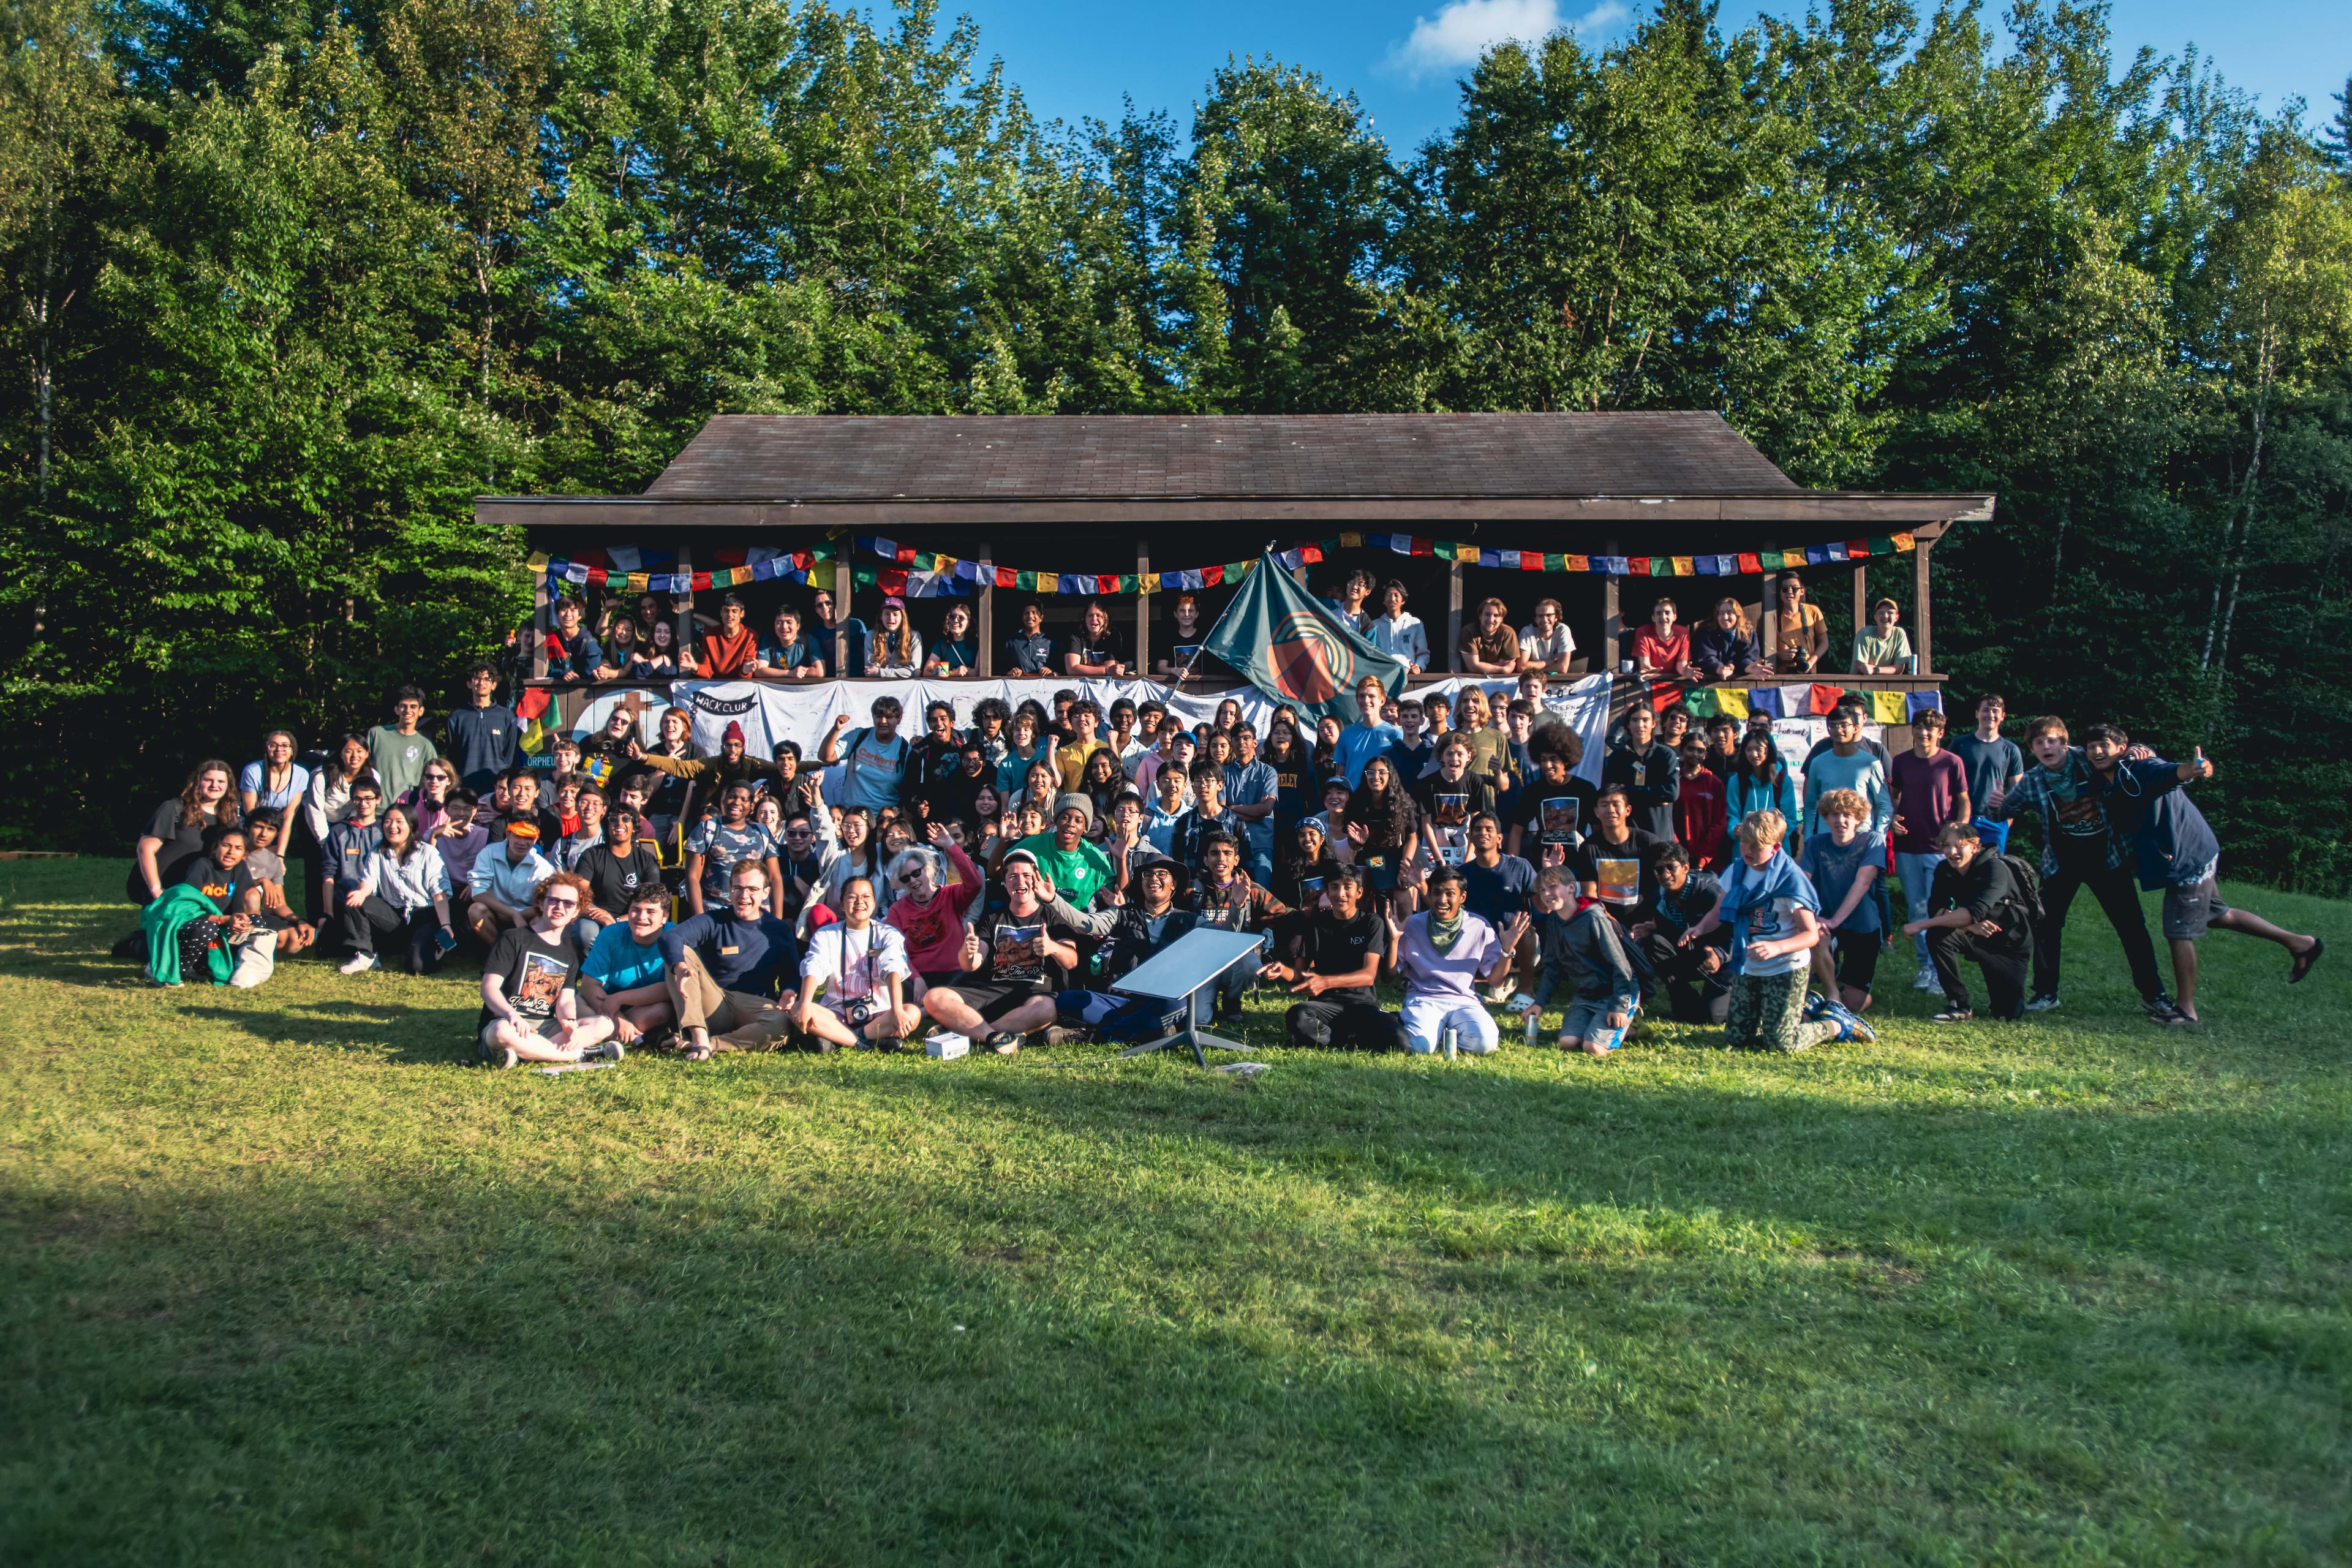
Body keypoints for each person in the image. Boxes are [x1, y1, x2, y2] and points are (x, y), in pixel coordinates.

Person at [2079, 725, 2321, 1025]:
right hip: (2191, 849)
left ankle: (2186, 1010)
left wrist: (2194, 769)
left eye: (2104, 745)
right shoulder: (2104, 775)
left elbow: (2170, 773)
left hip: (2187, 855)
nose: (2097, 752)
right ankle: (2301, 944)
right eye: (2091, 747)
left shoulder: (2140, 768)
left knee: (2178, 930)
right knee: (2218, 915)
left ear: (2121, 747)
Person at [1978, 716, 2171, 1017]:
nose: (2046, 747)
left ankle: (2154, 994)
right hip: (2061, 863)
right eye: (2039, 743)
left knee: (2132, 927)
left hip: (2107, 859)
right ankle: (2046, 993)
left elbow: (2123, 752)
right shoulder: (2033, 780)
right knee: (2045, 926)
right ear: (2032, 749)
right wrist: (1995, 804)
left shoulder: (2088, 758)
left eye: (2052, 740)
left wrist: (2139, 750)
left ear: (2064, 742)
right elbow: (2003, 812)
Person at [1678, 809, 1859, 1052]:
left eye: (1757, 846)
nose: (1748, 851)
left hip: (1786, 966)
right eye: (1745, 843)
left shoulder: (1790, 880)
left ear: (1775, 847)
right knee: (1736, 1039)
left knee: (1782, 1043)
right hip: (1749, 966)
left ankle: (1835, 1024)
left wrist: (1777, 947)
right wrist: (1699, 928)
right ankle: (1807, 1007)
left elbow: (1811, 935)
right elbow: (1719, 911)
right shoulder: (1738, 870)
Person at [924, 851, 1082, 1052]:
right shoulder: (992, 919)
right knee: (934, 997)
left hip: (1033, 995)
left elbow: (1072, 961)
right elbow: (971, 964)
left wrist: (1053, 948)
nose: (1020, 881)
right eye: (1013, 877)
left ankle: (967, 1032)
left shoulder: (1054, 918)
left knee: (1048, 1008)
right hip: (990, 992)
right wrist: (968, 951)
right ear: (1005, 884)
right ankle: (993, 1037)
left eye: (1026, 876)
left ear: (1036, 880)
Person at [476, 872, 621, 1069]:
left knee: (604, 1025)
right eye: (554, 901)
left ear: (576, 912)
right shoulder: (513, 938)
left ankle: (526, 1053)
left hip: (545, 1027)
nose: (560, 907)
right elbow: (489, 988)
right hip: (506, 1022)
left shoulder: (569, 955)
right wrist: (512, 1015)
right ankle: (577, 1055)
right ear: (541, 904)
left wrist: (569, 1022)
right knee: (501, 1033)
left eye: (568, 904)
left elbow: (566, 1000)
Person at [662, 861, 799, 1058]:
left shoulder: (779, 930)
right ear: (729, 890)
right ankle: (698, 1034)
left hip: (756, 1004)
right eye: (738, 888)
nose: (744, 896)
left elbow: (793, 975)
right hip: (715, 1000)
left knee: (781, 1023)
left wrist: (789, 990)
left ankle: (708, 1044)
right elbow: (671, 937)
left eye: (752, 889)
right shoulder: (714, 920)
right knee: (678, 952)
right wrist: (681, 966)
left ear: (766, 892)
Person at [1260, 867, 1404, 1050]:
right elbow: (1299, 975)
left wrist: (1326, 982)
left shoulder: (1371, 922)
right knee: (1297, 1015)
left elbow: (1368, 975)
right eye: (1334, 888)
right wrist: (1282, 970)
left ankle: (1330, 1039)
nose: (1340, 894)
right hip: (1325, 1006)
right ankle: (1353, 1039)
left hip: (1362, 1004)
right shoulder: (1315, 925)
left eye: (1347, 888)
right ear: (1327, 892)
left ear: (1359, 892)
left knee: (1400, 1041)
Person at [1901, 823, 2030, 1023]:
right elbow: (1937, 910)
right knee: (1938, 934)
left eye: (1959, 846)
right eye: (1946, 845)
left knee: (2006, 1014)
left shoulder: (1995, 868)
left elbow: (1974, 912)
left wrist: (1920, 925)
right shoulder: (1944, 869)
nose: (1952, 852)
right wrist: (1968, 926)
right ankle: (1958, 1004)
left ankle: (2002, 996)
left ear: (1975, 847)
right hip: (1974, 935)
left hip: (2008, 942)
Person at [1392, 867, 1527, 1056]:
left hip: (1464, 1000)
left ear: (1462, 897)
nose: (1442, 900)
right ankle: (1429, 1030)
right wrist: (1395, 939)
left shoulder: (1479, 926)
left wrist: (1507, 950)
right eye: (1437, 893)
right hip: (1424, 998)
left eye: (1450, 894)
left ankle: (1445, 1032)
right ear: (1429, 894)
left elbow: (1496, 981)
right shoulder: (1413, 924)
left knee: (1485, 1044)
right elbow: (1389, 974)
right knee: (1419, 1047)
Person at [1885, 706, 1968, 981]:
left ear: (1940, 733)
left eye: (1929, 729)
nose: (1923, 733)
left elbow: (1963, 801)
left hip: (1940, 848)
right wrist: (1893, 818)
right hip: (1908, 846)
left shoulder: (1952, 762)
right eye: (1919, 728)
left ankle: (1940, 967)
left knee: (1939, 909)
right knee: (1916, 907)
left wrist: (1958, 833)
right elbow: (1892, 796)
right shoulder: (1901, 761)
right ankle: (1925, 966)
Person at [1523, 867, 1641, 1055]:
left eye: (1553, 887)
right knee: (1568, 1042)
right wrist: (1539, 1003)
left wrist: (1619, 1005)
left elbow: (1621, 965)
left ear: (1571, 888)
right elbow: (1552, 967)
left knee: (1593, 1048)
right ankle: (1613, 1026)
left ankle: (1630, 1022)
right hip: (1587, 995)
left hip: (1615, 994)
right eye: (1542, 890)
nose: (1547, 894)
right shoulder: (1553, 920)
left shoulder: (1594, 918)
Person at [795, 876, 922, 1050]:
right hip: (836, 1013)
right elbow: (814, 966)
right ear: (842, 904)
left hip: (879, 1014)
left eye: (866, 897)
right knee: (797, 1009)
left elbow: (893, 969)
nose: (859, 902)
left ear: (874, 902)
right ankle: (863, 1042)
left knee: (911, 1013)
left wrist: (897, 1010)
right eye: (852, 897)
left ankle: (841, 1038)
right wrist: (805, 1004)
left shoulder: (888, 934)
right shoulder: (826, 934)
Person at [338, 805, 456, 975]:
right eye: (387, 822)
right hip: (396, 914)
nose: (392, 827)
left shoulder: (428, 853)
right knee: (355, 900)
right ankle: (366, 955)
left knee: (417, 967)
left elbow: (439, 894)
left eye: (399, 822)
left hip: (425, 914)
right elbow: (368, 881)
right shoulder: (377, 849)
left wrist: (446, 925)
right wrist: (361, 892)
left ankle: (427, 948)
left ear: (411, 826)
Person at [1796, 788, 1885, 1015]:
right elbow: (1801, 883)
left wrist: (1836, 920)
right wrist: (1813, 918)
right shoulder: (1816, 843)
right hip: (1825, 921)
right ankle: (1832, 993)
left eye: (1847, 814)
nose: (1841, 820)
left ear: (1858, 818)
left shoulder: (1871, 840)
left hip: (1862, 925)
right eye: (1834, 815)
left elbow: (1863, 883)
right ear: (1825, 818)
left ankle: (1836, 999)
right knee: (1816, 936)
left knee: (1856, 1004)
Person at [1631, 845, 1730, 1024]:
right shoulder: (1659, 896)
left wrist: (1720, 955)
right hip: (1696, 955)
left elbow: (1737, 932)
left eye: (1671, 867)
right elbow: (1679, 933)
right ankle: (1687, 1004)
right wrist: (1656, 928)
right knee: (1654, 942)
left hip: (1723, 959)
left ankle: (1735, 994)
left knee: (1715, 1018)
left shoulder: (1711, 892)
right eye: (1659, 869)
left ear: (1685, 868)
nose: (1665, 874)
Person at [130, 760, 240, 913]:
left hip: (207, 894)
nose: (215, 785)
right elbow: (145, 849)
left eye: (221, 781)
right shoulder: (174, 809)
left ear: (229, 786)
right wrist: (156, 890)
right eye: (208, 780)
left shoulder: (231, 818)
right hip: (169, 890)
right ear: (198, 782)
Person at [578, 886, 677, 1049]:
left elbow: (671, 988)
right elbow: (590, 985)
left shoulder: (674, 937)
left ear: (665, 917)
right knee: (577, 1001)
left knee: (663, 1011)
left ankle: (604, 1031)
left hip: (646, 1007)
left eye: (650, 912)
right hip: (606, 1004)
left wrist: (620, 998)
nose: (641, 917)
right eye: (635, 910)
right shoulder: (611, 934)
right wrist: (618, 1018)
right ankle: (630, 1034)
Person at [1457, 813, 1537, 1000]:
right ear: (1470, 838)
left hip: (1515, 940)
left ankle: (1526, 990)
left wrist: (1551, 873)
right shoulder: (1462, 874)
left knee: (1527, 932)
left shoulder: (1520, 867)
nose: (1483, 833)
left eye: (1488, 829)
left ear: (1499, 838)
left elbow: (1543, 906)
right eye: (1477, 829)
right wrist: (1421, 885)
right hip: (1478, 942)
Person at [684, 781, 783, 918]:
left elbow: (775, 878)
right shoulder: (706, 829)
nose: (737, 802)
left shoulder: (763, 833)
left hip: (755, 914)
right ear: (724, 800)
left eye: (744, 799)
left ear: (752, 806)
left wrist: (777, 921)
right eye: (732, 797)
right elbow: (692, 877)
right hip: (715, 912)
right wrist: (700, 919)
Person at [1947, 694, 2024, 852]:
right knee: (1962, 869)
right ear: (1977, 713)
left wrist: (2006, 819)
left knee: (1994, 870)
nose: (1990, 715)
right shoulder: (1960, 744)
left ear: (2003, 716)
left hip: (1995, 822)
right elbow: (1945, 782)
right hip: (1963, 818)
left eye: (1995, 711)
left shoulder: (2010, 750)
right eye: (1986, 710)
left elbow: (2018, 791)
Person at [236, 809, 316, 959]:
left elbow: (279, 904)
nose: (264, 834)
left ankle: (254, 949)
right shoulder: (236, 851)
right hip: (235, 912)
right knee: (252, 894)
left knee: (294, 939)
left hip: (261, 916)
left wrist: (299, 921)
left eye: (270, 830)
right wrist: (261, 881)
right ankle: (245, 952)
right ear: (248, 827)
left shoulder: (273, 861)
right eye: (259, 827)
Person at [466, 819, 557, 949]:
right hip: (497, 912)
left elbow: (544, 904)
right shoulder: (489, 853)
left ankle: (526, 955)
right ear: (508, 835)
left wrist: (520, 916)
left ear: (536, 840)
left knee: (542, 918)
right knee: (476, 911)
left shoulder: (543, 867)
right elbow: (478, 893)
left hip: (527, 916)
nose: (522, 843)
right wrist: (513, 914)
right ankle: (499, 952)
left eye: (528, 838)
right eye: (518, 836)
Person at [1804, 704, 1893, 835]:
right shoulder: (1818, 763)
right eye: (1833, 726)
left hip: (1862, 837)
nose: (1838, 730)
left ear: (1856, 728)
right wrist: (1808, 838)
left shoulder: (1870, 763)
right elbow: (1811, 804)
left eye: (1844, 725)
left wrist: (1879, 837)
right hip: (1827, 838)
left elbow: (1884, 805)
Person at [1019, 793, 1116, 908]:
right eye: (1065, 818)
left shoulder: (1096, 858)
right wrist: (1004, 840)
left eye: (1078, 821)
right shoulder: (1033, 844)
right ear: (1056, 821)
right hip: (1036, 919)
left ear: (1086, 828)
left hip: (1076, 923)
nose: (1071, 824)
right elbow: (996, 870)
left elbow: (1117, 895)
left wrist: (1120, 859)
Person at [575, 807, 665, 927]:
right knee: (585, 930)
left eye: (626, 819)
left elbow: (651, 903)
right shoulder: (591, 855)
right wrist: (604, 918)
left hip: (635, 920)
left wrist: (617, 921)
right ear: (607, 826)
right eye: (613, 819)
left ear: (634, 827)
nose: (619, 823)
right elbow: (578, 896)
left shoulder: (647, 860)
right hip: (597, 918)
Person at [1601, 704, 1679, 842]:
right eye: (1635, 720)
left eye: (1645, 720)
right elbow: (1610, 793)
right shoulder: (1618, 757)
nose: (1640, 725)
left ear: (1654, 723)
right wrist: (1656, 796)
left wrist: (1627, 790)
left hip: (1659, 834)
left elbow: (1671, 793)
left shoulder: (1666, 755)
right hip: (1626, 834)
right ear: (1628, 725)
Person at [1416, 734, 1496, 867]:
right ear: (1442, 756)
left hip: (1464, 840)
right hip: (1434, 840)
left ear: (1469, 757)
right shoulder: (1429, 783)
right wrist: (1438, 859)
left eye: (1460, 754)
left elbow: (1475, 822)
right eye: (1450, 754)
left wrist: (1469, 855)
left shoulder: (1474, 781)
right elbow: (1426, 824)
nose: (1455, 759)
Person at [821, 696, 911, 815]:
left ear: (899, 719)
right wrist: (836, 730)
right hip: (851, 818)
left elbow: (909, 794)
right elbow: (826, 757)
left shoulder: (905, 751)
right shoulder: (858, 736)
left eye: (889, 717)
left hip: (883, 824)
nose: (883, 721)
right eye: (879, 716)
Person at [1721, 730, 1800, 865]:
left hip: (1775, 852)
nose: (1754, 754)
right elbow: (1731, 815)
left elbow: (1790, 819)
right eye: (1749, 750)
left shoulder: (1783, 781)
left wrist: (1767, 838)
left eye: (1759, 749)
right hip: (1745, 852)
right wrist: (1735, 828)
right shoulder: (1736, 781)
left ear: (1769, 750)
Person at [1509, 741, 1594, 862]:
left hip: (1579, 863)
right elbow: (1517, 830)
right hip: (1543, 862)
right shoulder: (1533, 791)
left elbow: (1598, 831)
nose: (1547, 765)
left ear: (1566, 761)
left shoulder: (1585, 789)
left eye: (1554, 759)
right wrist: (1514, 864)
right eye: (1543, 760)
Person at [445, 663, 521, 795]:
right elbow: (452, 755)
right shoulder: (457, 717)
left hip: (497, 787)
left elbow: (510, 756)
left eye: (487, 679)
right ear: (469, 684)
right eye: (477, 679)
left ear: (494, 685)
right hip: (464, 787)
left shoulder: (507, 717)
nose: (481, 683)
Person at [364, 686, 440, 805]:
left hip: (406, 812)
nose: (408, 711)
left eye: (413, 707)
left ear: (421, 711)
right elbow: (362, 768)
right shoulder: (377, 735)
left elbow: (432, 781)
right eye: (403, 706)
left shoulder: (426, 746)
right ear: (397, 710)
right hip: (375, 808)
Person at [1674, 734, 1727, 866]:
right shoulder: (1672, 780)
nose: (1695, 754)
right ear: (1682, 749)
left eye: (1700, 751)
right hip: (1676, 854)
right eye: (1691, 749)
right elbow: (1666, 817)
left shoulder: (1714, 783)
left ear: (1706, 754)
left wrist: (1703, 856)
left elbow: (1720, 822)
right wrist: (1676, 849)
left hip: (1708, 858)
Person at [238, 730, 310, 820]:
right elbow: (250, 812)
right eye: (273, 745)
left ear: (292, 750)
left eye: (285, 746)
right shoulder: (252, 771)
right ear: (267, 749)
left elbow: (289, 815)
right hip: (251, 823)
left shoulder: (301, 774)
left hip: (279, 824)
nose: (279, 749)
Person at [1690, 598, 1765, 682]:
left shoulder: (1748, 633)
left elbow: (1749, 657)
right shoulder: (1706, 632)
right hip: (1707, 683)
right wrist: (1719, 668)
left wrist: (1747, 667)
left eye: (1729, 613)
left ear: (1737, 615)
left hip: (1741, 684)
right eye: (1721, 613)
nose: (1725, 617)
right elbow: (1705, 658)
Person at [1770, 571, 1828, 674]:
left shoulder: (1813, 611)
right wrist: (1777, 655)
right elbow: (1759, 646)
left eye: (1794, 589)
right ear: (1780, 592)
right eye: (1785, 589)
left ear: (1802, 591)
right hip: (1780, 675)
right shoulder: (1770, 616)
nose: (1790, 592)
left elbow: (1824, 643)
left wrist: (1810, 662)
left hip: (1808, 673)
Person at [1366, 579, 1430, 673]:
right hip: (1383, 676)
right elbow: (1370, 653)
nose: (1392, 599)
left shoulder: (1415, 624)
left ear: (1403, 600)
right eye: (1388, 595)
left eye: (1396, 595)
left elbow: (1423, 653)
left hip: (1408, 676)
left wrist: (1419, 666)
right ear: (1383, 601)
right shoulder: (1375, 625)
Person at [543, 596, 608, 682]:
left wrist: (576, 677)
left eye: (573, 611)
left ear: (580, 616)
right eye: (564, 610)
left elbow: (592, 674)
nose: (568, 614)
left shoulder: (589, 643)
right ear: (558, 614)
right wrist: (563, 674)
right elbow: (547, 670)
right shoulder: (553, 639)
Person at [1062, 598, 1129, 677]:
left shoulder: (1113, 635)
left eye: (1099, 616)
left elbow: (1112, 668)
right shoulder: (1076, 636)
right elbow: (1072, 669)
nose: (1094, 619)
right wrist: (1105, 670)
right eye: (1090, 616)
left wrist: (1081, 669)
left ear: (1105, 619)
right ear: (1085, 619)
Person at [810, 586, 867, 677]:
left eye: (828, 603)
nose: (824, 607)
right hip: (830, 682)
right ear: (816, 610)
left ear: (835, 605)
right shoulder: (816, 632)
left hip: (858, 680)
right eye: (819, 605)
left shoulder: (855, 625)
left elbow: (867, 656)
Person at [1455, 597, 1520, 675]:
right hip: (1473, 681)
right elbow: (1472, 667)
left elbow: (1508, 664)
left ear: (1501, 619)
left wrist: (1480, 665)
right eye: (1487, 614)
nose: (1491, 620)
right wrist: (1502, 669)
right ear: (1480, 616)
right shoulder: (1469, 631)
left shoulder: (1508, 633)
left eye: (1496, 615)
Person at [1630, 598, 1694, 679]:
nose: (1663, 617)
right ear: (1653, 618)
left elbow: (1681, 666)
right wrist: (1648, 669)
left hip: (1674, 683)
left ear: (1675, 617)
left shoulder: (1683, 633)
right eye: (1658, 613)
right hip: (1650, 681)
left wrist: (1685, 671)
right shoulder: (1643, 632)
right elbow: (1645, 665)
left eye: (1667, 613)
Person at [755, 606, 824, 678]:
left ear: (798, 626)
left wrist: (799, 672)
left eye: (789, 622)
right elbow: (759, 671)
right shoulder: (767, 640)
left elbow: (820, 672)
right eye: (779, 622)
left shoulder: (808, 640)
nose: (784, 626)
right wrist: (789, 673)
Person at [862, 595, 922, 677]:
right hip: (878, 686)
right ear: (881, 616)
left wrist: (881, 672)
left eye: (895, 614)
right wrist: (901, 671)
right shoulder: (871, 635)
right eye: (887, 614)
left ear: (902, 617)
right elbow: (870, 670)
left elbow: (914, 671)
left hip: (905, 687)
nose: (891, 618)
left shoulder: (914, 637)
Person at [1851, 598, 1913, 674]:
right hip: (1860, 685)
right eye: (1881, 613)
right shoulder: (1864, 634)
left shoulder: (1900, 634)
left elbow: (1899, 668)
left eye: (1890, 613)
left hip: (1888, 685)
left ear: (1897, 618)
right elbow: (1861, 668)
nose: (1885, 616)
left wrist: (1875, 670)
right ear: (1875, 617)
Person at [1518, 598, 1576, 675]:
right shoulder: (1527, 632)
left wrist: (1534, 669)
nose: (1545, 620)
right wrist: (1552, 662)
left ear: (1556, 618)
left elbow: (1563, 667)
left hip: (1558, 681)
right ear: (1536, 619)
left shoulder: (1563, 630)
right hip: (1533, 680)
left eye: (1549, 615)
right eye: (1540, 616)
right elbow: (1522, 667)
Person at [1003, 600, 1056, 677]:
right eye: (1026, 613)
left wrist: (1051, 672)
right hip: (1017, 686)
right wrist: (1009, 673)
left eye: (1034, 613)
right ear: (1022, 617)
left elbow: (1059, 669)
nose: (1030, 616)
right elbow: (1001, 668)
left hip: (1043, 687)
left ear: (1041, 618)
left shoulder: (1050, 642)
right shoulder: (1012, 642)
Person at [927, 602, 977, 676]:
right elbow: (927, 671)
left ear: (969, 622)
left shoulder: (977, 644)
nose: (956, 621)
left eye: (961, 618)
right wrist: (952, 673)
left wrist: (941, 669)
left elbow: (978, 673)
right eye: (952, 617)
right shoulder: (942, 644)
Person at [1322, 568, 1378, 633]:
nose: (1354, 587)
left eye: (1360, 584)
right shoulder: (1329, 605)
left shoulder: (1367, 626)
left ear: (1368, 592)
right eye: (1351, 582)